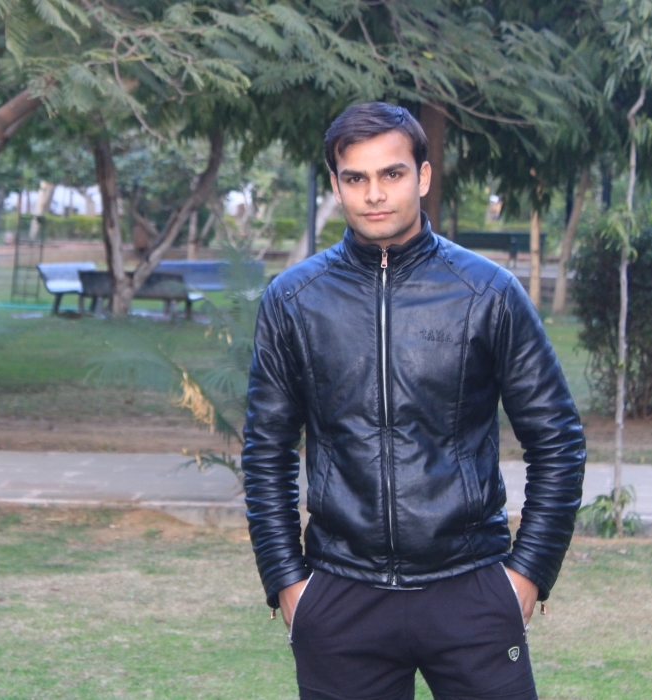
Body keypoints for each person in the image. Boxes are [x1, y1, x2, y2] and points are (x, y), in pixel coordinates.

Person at [242, 102, 585, 700]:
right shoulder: (293, 300)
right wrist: (287, 580)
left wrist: (528, 573)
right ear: (336, 186)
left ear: (423, 177)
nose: (375, 193)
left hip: (471, 587)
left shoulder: (488, 293)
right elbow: (265, 450)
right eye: (356, 177)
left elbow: (557, 439)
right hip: (340, 593)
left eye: (392, 173)